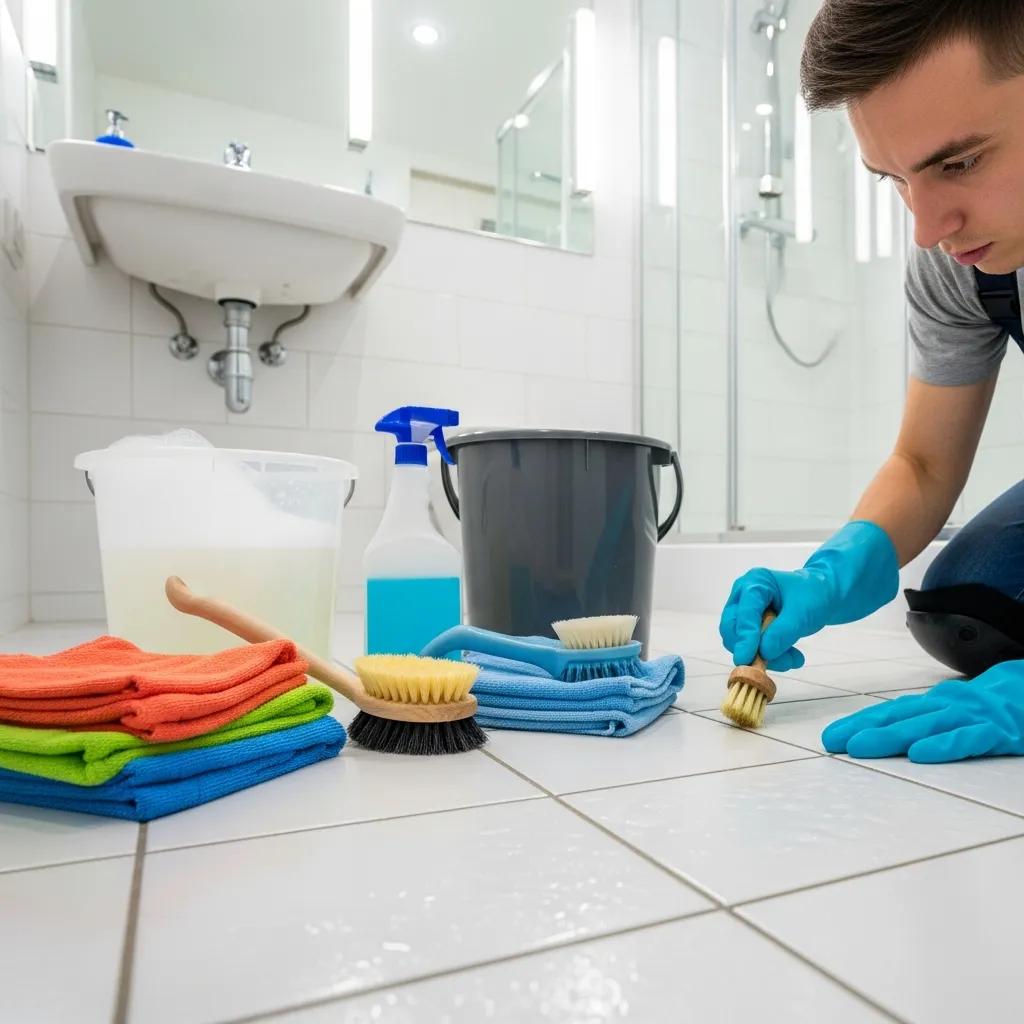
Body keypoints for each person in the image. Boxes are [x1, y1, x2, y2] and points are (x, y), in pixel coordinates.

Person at [719, 0, 1024, 763]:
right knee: (971, 599)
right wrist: (838, 565)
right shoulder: (957, 264)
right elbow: (923, 463)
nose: (926, 228)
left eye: (959, 162)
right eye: (895, 179)